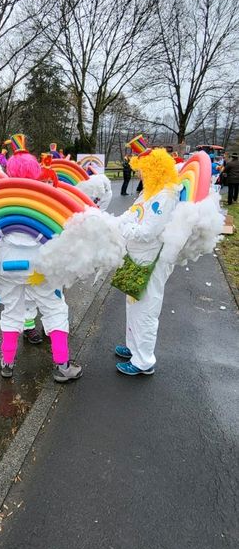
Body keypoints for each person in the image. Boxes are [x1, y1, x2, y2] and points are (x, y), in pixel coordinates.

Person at [0, 144, 82, 382]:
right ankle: (62, 365)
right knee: (54, 309)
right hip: (40, 265)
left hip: (5, 263)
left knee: (12, 311)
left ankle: (7, 363)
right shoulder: (44, 195)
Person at [114, 140, 181, 377]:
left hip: (152, 260)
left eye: (142, 168)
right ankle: (133, 348)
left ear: (154, 168)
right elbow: (132, 214)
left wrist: (122, 229)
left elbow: (147, 232)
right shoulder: (150, 190)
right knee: (133, 305)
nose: (138, 172)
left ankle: (143, 361)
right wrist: (114, 222)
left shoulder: (166, 194)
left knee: (146, 309)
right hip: (137, 258)